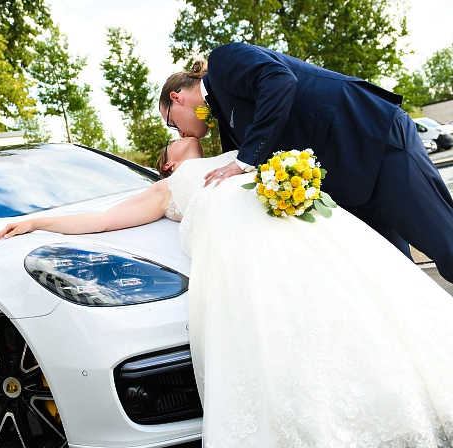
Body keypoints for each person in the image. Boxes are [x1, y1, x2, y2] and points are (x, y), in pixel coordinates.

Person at [0, 138, 453, 448]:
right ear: (169, 165)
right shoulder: (168, 185)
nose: (174, 132)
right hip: (244, 257)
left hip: (305, 238)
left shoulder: (237, 151)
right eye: (168, 142)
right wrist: (36, 221)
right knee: (285, 332)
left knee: (352, 308)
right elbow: (105, 220)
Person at [158, 42, 453, 284]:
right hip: (351, 186)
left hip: (372, 142)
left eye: (173, 124)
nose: (181, 133)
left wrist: (244, 160)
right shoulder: (225, 123)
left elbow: (279, 80)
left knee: (446, 245)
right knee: (393, 273)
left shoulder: (224, 61)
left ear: (177, 98)